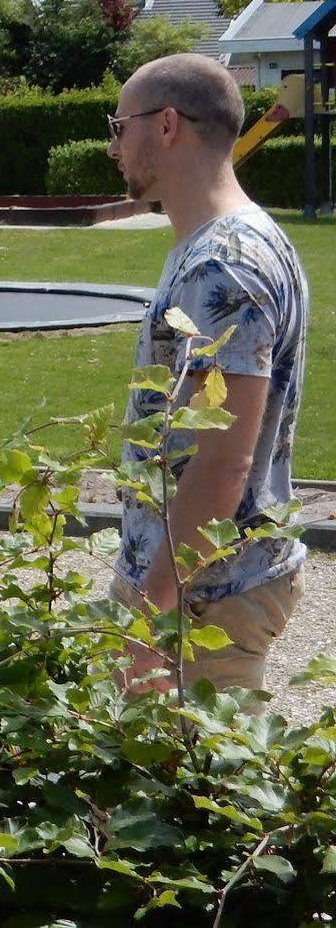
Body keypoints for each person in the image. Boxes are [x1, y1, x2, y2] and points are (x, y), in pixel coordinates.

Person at [105, 53, 308, 701]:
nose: (112, 144)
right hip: (193, 582)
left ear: (165, 125)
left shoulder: (224, 263)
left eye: (118, 125)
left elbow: (223, 459)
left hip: (203, 595)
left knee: (184, 797)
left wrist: (150, 610)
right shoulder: (221, 244)